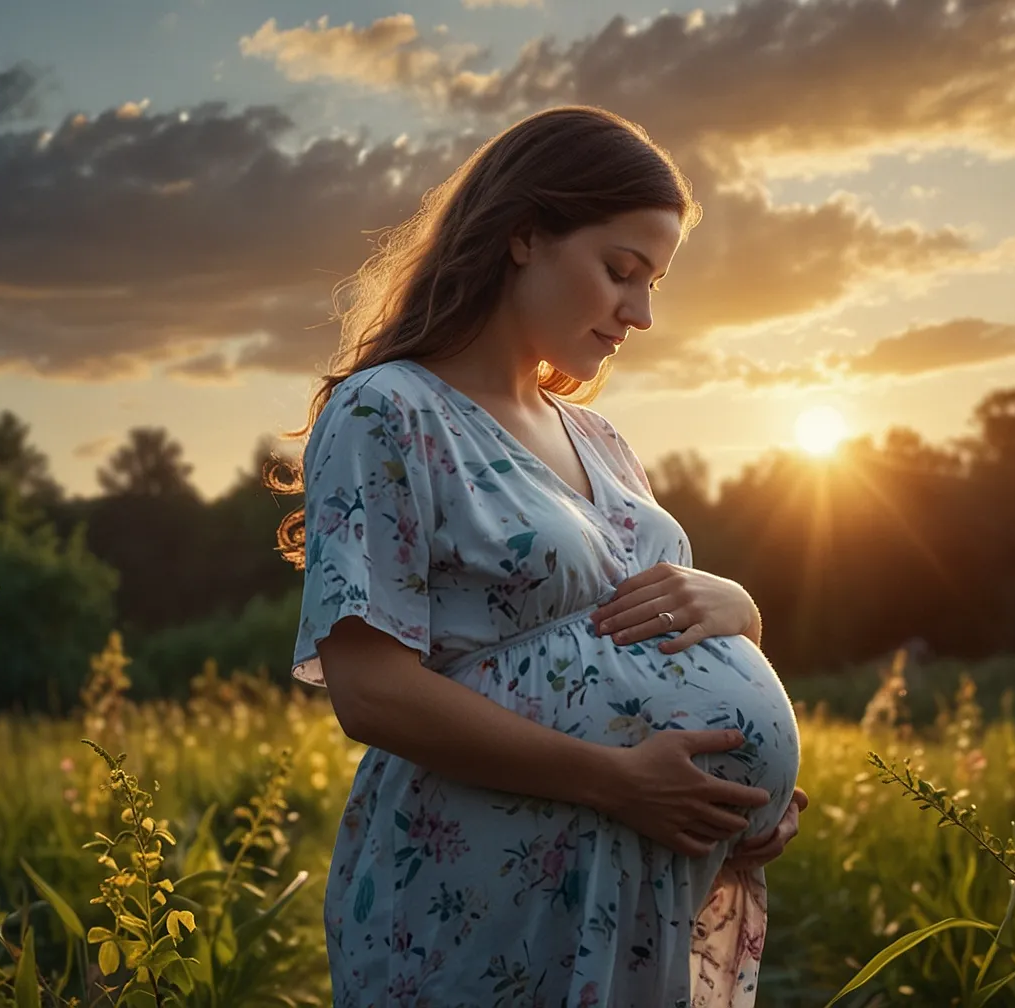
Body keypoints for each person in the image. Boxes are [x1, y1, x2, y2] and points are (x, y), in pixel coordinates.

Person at [269, 105, 808, 1008]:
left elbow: (637, 635)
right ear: (523, 236)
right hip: (483, 892)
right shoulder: (388, 411)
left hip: (632, 888)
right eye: (619, 272)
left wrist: (740, 618)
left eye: (655, 284)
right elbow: (371, 691)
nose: (638, 313)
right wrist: (617, 780)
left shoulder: (599, 439)